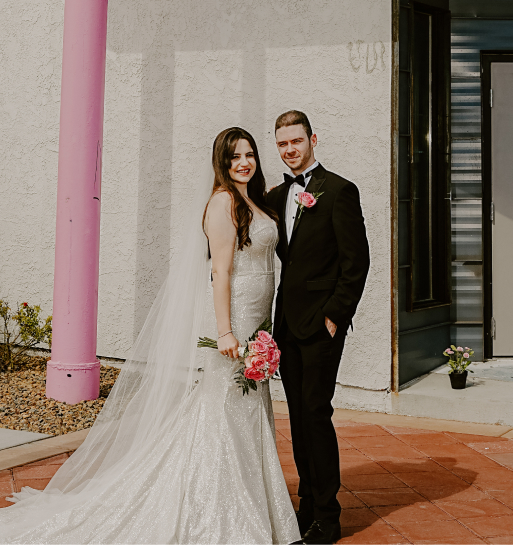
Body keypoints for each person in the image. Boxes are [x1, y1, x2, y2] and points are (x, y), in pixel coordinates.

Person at [0, 127, 301, 545]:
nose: (243, 163)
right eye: (234, 157)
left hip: (258, 321)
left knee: (247, 410)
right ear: (221, 162)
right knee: (224, 407)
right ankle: (220, 508)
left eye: (249, 154)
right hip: (233, 324)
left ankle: (252, 500)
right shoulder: (223, 202)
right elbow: (220, 272)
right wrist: (226, 331)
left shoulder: (254, 198)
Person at [267, 111, 370, 545]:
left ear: (313, 139)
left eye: (296, 141)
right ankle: (306, 504)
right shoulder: (275, 196)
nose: (290, 149)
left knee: (316, 413)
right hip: (286, 325)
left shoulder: (339, 191)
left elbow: (356, 262)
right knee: (297, 416)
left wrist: (335, 316)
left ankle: (328, 516)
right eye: (282, 144)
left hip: (321, 326)